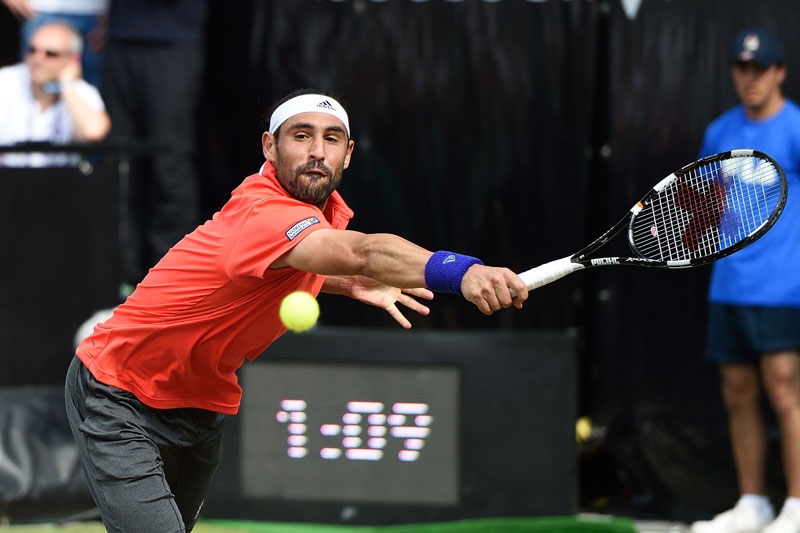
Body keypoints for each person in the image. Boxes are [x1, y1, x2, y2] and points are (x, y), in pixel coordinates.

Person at [64, 89, 530, 532]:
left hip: (197, 406)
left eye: (332, 139)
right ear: (270, 147)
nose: (317, 152)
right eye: (301, 136)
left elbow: (277, 269)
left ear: (348, 154)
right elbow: (364, 252)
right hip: (118, 390)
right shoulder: (263, 211)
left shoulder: (321, 216)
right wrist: (461, 272)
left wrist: (343, 282)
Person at [690, 29, 800, 533]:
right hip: (729, 285)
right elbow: (706, 206)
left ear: (780, 73)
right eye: (742, 69)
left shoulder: (795, 127)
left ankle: (796, 507)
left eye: (760, 70)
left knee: (785, 393)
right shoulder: (720, 131)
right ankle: (752, 504)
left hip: (783, 287)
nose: (750, 79)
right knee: (737, 393)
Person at [100, 0, 209, 299]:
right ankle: (121, 275)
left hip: (173, 44)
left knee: (169, 164)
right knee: (120, 163)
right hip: (121, 39)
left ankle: (169, 278)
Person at [0, 20, 110, 167]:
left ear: (73, 59)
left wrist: (67, 86)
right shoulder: (6, 81)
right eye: (32, 50)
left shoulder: (79, 90)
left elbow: (93, 133)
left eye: (50, 54)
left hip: (60, 179)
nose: (38, 59)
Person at [1, 0, 108, 88]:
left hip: (96, 12)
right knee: (31, 87)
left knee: (87, 92)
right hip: (40, 9)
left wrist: (114, 17)